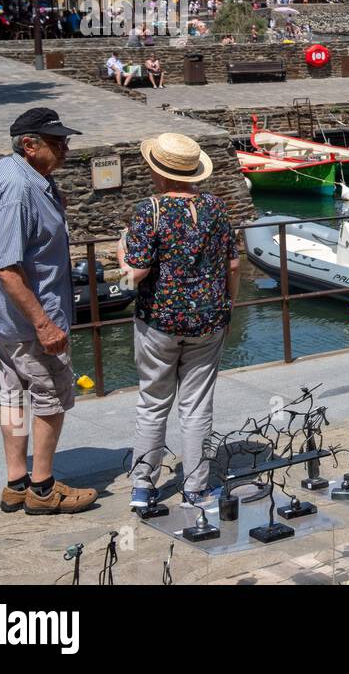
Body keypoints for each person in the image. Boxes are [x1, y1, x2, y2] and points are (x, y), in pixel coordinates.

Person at [0, 108, 98, 516]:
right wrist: (43, 324)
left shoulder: (13, 173)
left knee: (12, 396)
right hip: (30, 320)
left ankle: (15, 484)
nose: (66, 148)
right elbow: (8, 268)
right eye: (57, 142)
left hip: (6, 319)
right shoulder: (19, 189)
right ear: (29, 145)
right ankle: (42, 489)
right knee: (51, 397)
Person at [117, 133, 237, 508]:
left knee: (153, 402)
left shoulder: (149, 210)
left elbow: (133, 275)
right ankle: (196, 489)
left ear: (159, 173)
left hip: (159, 321)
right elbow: (233, 264)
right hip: (208, 320)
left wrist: (121, 253)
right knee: (197, 405)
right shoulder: (216, 208)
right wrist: (227, 306)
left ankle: (142, 487)